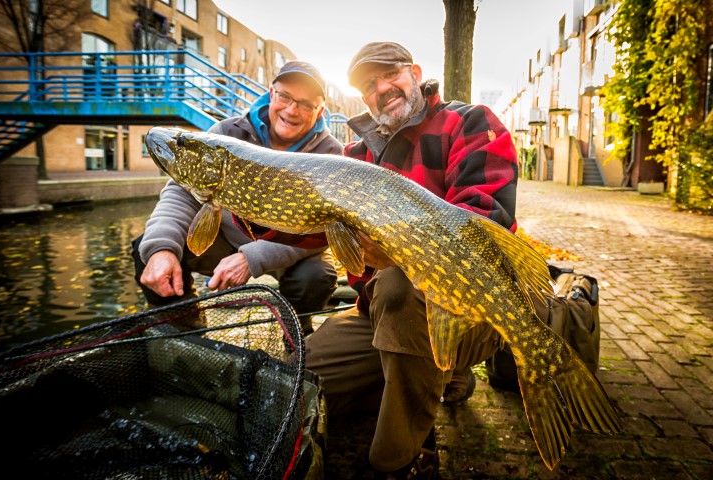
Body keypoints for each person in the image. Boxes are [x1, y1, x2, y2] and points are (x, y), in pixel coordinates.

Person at [304, 42, 519, 479]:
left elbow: (484, 221)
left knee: (399, 284)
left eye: (391, 74)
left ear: (415, 72)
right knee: (301, 379)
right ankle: (443, 377)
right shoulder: (353, 158)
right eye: (369, 85)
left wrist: (397, 253)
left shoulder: (470, 123)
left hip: (470, 309)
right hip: (379, 316)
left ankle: (398, 459)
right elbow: (298, 230)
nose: (382, 88)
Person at [132, 61, 341, 334]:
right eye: (285, 97)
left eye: (305, 104)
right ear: (271, 93)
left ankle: (296, 335)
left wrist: (251, 258)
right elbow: (180, 196)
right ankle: (185, 327)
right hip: (226, 239)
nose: (291, 110)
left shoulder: (330, 154)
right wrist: (161, 248)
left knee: (316, 277)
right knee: (150, 249)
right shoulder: (226, 133)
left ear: (320, 110)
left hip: (289, 250)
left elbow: (324, 231)